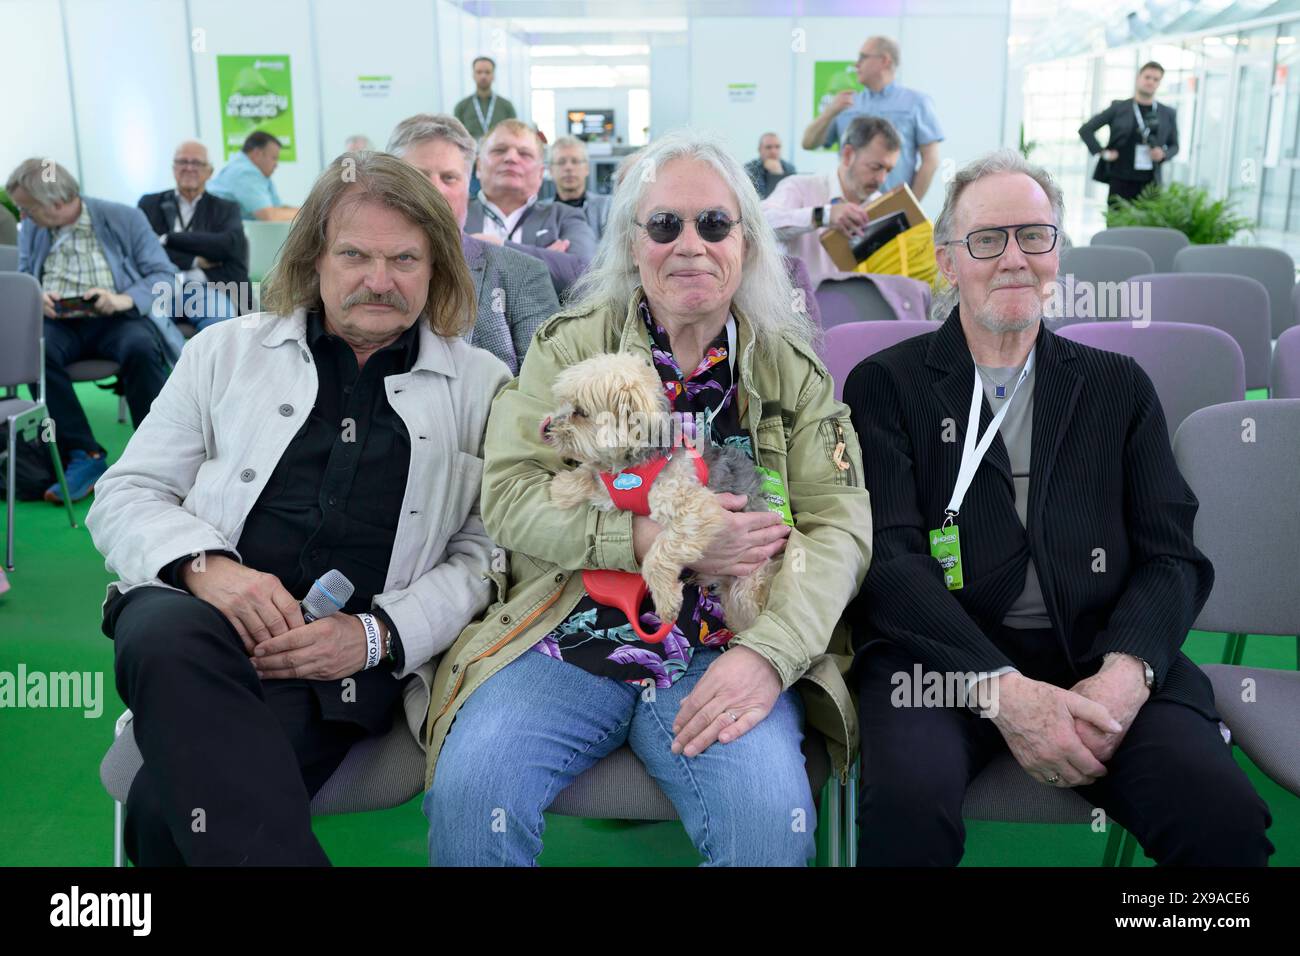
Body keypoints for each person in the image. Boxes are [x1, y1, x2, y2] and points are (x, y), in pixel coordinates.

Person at [423, 130, 873, 867]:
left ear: (747, 245)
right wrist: (642, 543)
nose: (690, 244)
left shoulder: (790, 368)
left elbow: (840, 527)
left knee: (768, 829)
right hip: (568, 628)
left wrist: (769, 655)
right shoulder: (569, 346)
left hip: (729, 642)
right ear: (634, 244)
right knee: (472, 795)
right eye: (665, 225)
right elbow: (508, 495)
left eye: (715, 224)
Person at [843, 149, 1273, 866]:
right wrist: (1004, 692)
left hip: (1099, 650)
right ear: (947, 262)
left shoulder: (1117, 387)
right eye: (987, 239)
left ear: (1057, 254)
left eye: (1034, 236)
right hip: (939, 659)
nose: (1014, 258)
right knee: (905, 814)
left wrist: (1127, 673)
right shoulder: (887, 386)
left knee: (1221, 821)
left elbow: (1171, 553)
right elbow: (891, 563)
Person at [84, 152, 512, 866]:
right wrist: (207, 568)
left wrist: (374, 637)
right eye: (355, 255)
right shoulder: (224, 352)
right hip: (197, 623)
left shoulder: (481, 386)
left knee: (165, 811)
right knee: (159, 629)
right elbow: (125, 493)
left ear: (436, 269)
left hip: (332, 669)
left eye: (405, 259)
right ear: (314, 257)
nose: (379, 280)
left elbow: (485, 555)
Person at [7, 158, 174, 503]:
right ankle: (85, 454)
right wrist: (38, 296)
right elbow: (26, 274)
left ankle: (159, 455)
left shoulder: (123, 217)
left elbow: (164, 275)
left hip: (117, 317)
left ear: (55, 202)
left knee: (141, 348)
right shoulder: (34, 230)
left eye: (27, 209)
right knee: (36, 355)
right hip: (59, 322)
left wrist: (122, 299)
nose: (23, 217)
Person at [387, 113, 559, 373]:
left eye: (449, 178)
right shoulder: (358, 269)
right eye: (420, 176)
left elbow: (546, 389)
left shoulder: (522, 275)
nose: (435, 191)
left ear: (468, 186)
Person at [762, 115, 901, 288]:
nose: (882, 179)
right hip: (799, 309)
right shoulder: (800, 187)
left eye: (888, 170)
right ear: (848, 155)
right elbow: (762, 224)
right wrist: (823, 216)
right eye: (875, 167)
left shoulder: (881, 205)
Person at [464, 119, 597, 297]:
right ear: (478, 166)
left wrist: (496, 247)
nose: (511, 158)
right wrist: (543, 261)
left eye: (524, 154)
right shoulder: (454, 214)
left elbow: (585, 276)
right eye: (499, 150)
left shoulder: (564, 216)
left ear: (541, 173)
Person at [801, 35, 942, 199]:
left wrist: (909, 206)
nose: (856, 64)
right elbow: (808, 143)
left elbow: (931, 160)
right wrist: (830, 111)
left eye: (863, 57)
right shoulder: (846, 103)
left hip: (892, 210)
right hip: (846, 211)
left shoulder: (916, 103)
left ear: (885, 60)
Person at [138, 140, 248, 329]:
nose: (189, 168)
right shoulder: (150, 204)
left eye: (196, 163)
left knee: (221, 324)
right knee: (145, 329)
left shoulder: (226, 208)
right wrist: (195, 260)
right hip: (160, 288)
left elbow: (227, 246)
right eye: (182, 162)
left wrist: (167, 239)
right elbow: (144, 250)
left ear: (210, 172)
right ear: (173, 168)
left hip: (209, 288)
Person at [1079, 61, 1179, 207]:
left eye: (1156, 79)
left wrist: (1163, 154)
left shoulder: (1167, 113)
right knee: (1117, 226)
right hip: (1120, 179)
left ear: (1159, 83)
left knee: (1148, 227)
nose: (1150, 82)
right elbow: (1086, 130)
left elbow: (1174, 146)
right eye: (1147, 77)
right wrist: (1103, 152)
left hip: (1151, 183)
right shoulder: (1118, 108)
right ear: (1139, 78)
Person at [207, 131, 299, 221]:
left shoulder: (259, 174)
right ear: (257, 154)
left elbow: (277, 208)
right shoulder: (244, 173)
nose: (276, 165)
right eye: (274, 158)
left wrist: (305, 212)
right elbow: (269, 216)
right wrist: (307, 215)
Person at [548, 135, 611, 240]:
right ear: (551, 170)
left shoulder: (606, 207)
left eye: (575, 161)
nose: (568, 167)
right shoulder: (539, 213)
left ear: (587, 168)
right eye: (561, 162)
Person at [453, 56, 517, 141]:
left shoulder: (506, 106)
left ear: (493, 75)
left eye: (487, 72)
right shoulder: (461, 106)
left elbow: (514, 134)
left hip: (500, 151)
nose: (483, 76)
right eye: (479, 72)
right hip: (471, 152)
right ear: (473, 75)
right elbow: (456, 137)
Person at [744, 132, 796, 200]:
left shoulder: (790, 168)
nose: (773, 151)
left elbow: (791, 197)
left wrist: (778, 174)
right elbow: (758, 197)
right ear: (760, 149)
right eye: (768, 147)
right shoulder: (749, 169)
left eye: (777, 147)